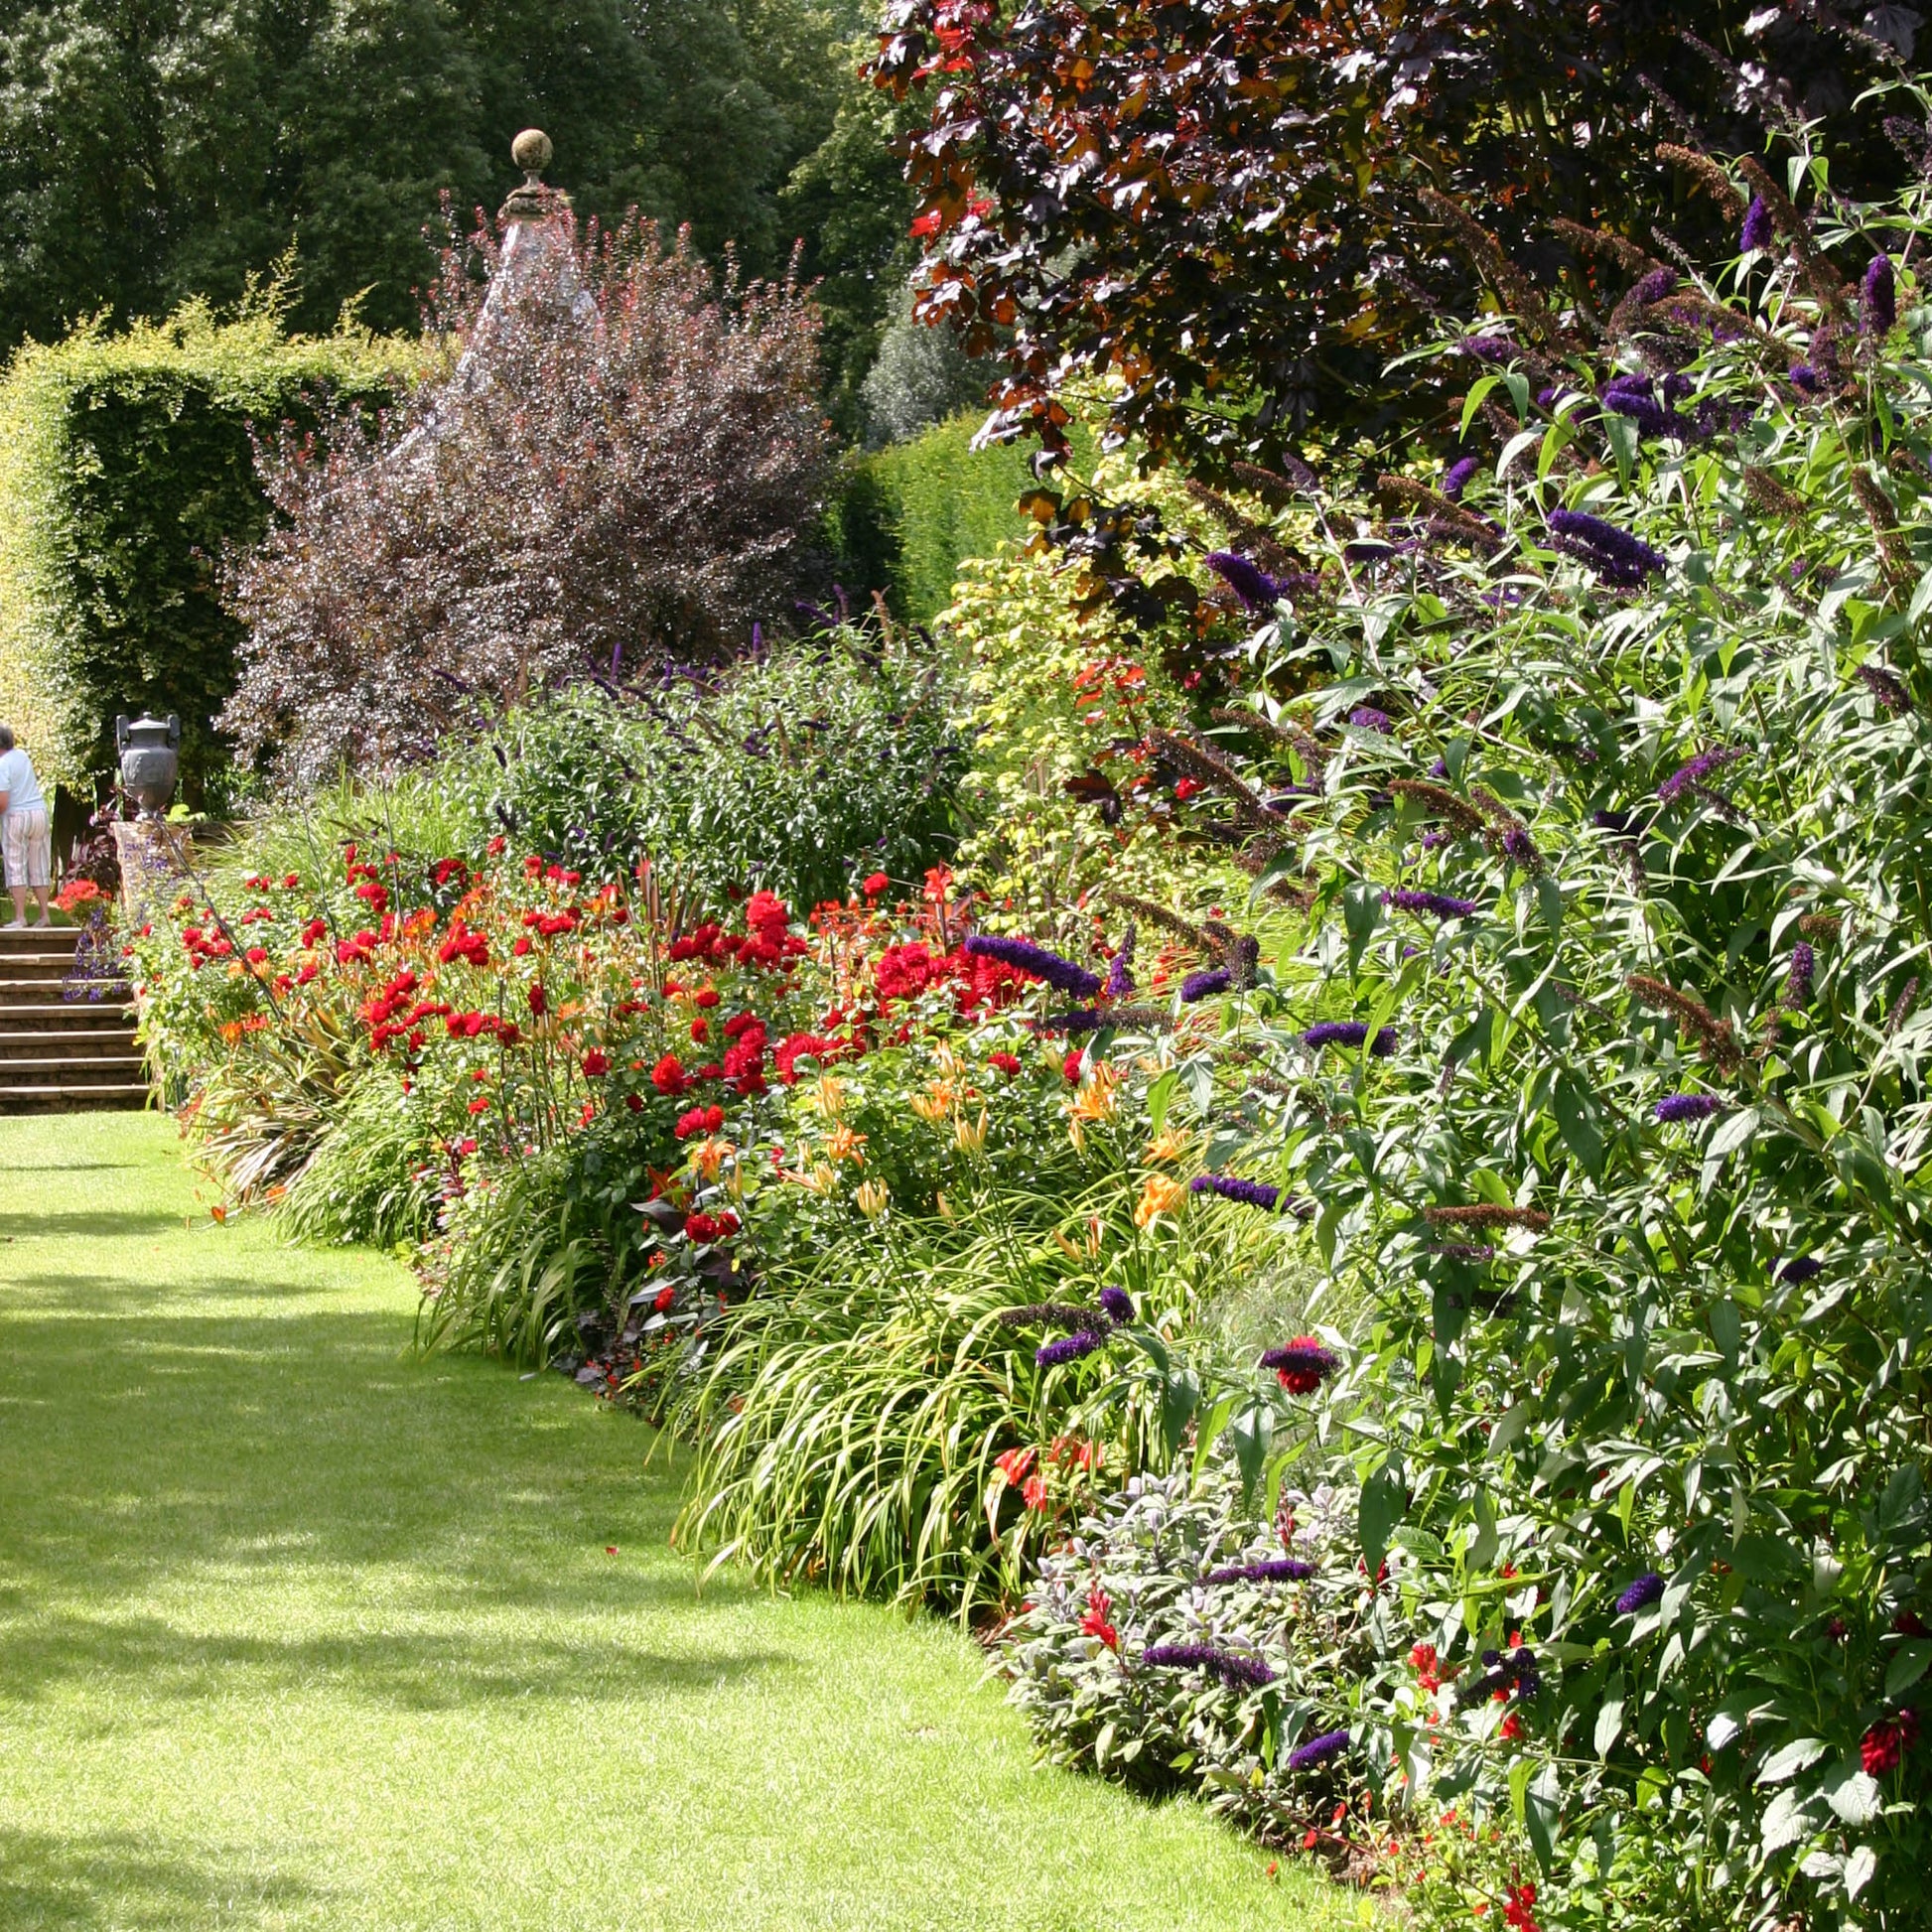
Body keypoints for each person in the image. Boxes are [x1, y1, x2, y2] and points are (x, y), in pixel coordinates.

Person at [0, 723, 53, 929]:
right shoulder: (22, 756)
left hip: (16, 816)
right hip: (39, 813)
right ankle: (44, 915)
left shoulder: (2, 764)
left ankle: (20, 917)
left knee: (16, 866)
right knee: (39, 864)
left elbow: (3, 802)